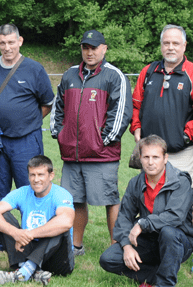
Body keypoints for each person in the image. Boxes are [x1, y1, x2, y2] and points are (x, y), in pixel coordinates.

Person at [130, 24, 193, 274]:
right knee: (150, 201)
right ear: (161, 45)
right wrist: (136, 130)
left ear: (184, 46)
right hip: (151, 154)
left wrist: (185, 136)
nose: (171, 47)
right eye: (166, 43)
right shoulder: (148, 71)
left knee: (191, 202)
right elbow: (136, 106)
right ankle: (158, 247)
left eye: (176, 43)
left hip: (182, 152)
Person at [52, 29, 132, 255]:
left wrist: (102, 140)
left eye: (94, 48)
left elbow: (121, 113)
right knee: (75, 200)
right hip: (72, 153)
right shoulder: (69, 75)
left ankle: (116, 248)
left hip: (101, 154)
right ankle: (75, 245)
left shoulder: (114, 76)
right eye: (85, 47)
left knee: (110, 200)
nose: (89, 52)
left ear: (104, 49)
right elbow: (58, 108)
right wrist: (61, 134)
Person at [0, 24, 55, 257]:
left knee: (31, 188)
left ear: (20, 41)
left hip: (26, 141)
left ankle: (35, 236)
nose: (7, 47)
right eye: (2, 43)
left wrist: (28, 122)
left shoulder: (34, 69)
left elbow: (47, 103)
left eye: (11, 42)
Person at [99, 135, 193, 287]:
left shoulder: (180, 182)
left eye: (156, 157)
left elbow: (175, 216)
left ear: (165, 158)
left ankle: (164, 283)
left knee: (168, 232)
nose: (150, 162)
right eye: (146, 157)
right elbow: (124, 217)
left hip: (178, 240)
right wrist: (126, 246)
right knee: (108, 259)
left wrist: (142, 224)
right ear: (140, 158)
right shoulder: (136, 183)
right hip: (149, 239)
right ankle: (156, 276)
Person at [0, 155, 75, 285]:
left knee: (59, 224)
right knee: (2, 217)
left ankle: (25, 270)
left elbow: (66, 221)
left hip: (58, 259)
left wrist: (30, 234)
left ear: (51, 176)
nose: (36, 179)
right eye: (32, 175)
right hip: (27, 250)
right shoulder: (22, 192)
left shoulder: (61, 194)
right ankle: (30, 271)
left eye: (41, 174)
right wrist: (15, 233)